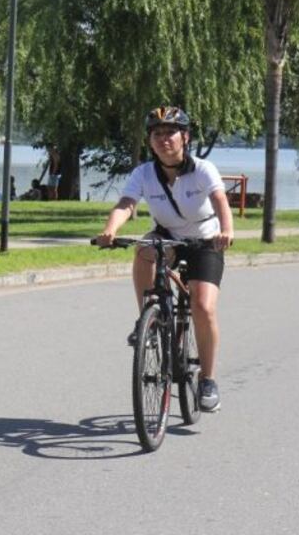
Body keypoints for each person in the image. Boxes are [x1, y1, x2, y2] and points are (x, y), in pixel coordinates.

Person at [96, 106, 234, 413]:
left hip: (205, 240)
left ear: (184, 137)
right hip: (168, 237)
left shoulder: (202, 170)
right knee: (144, 248)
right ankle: (148, 317)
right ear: (150, 141)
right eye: (156, 134)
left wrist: (226, 230)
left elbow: (219, 200)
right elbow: (127, 204)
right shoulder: (144, 173)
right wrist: (109, 229)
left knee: (202, 306)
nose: (163, 139)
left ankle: (208, 381)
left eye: (170, 132)